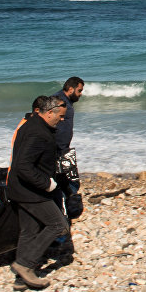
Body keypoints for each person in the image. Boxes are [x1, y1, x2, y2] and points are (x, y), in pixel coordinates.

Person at [7, 96, 69, 290]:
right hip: (31, 191)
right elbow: (23, 166)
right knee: (58, 225)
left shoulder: (31, 123)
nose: (62, 120)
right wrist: (46, 184)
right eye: (60, 116)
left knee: (29, 230)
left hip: (19, 188)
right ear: (49, 112)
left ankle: (21, 277)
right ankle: (24, 264)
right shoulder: (37, 132)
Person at [51, 77, 84, 218]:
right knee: (68, 181)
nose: (81, 94)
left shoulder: (65, 101)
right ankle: (65, 209)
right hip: (58, 150)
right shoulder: (59, 102)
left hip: (62, 149)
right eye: (79, 90)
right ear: (70, 89)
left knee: (63, 180)